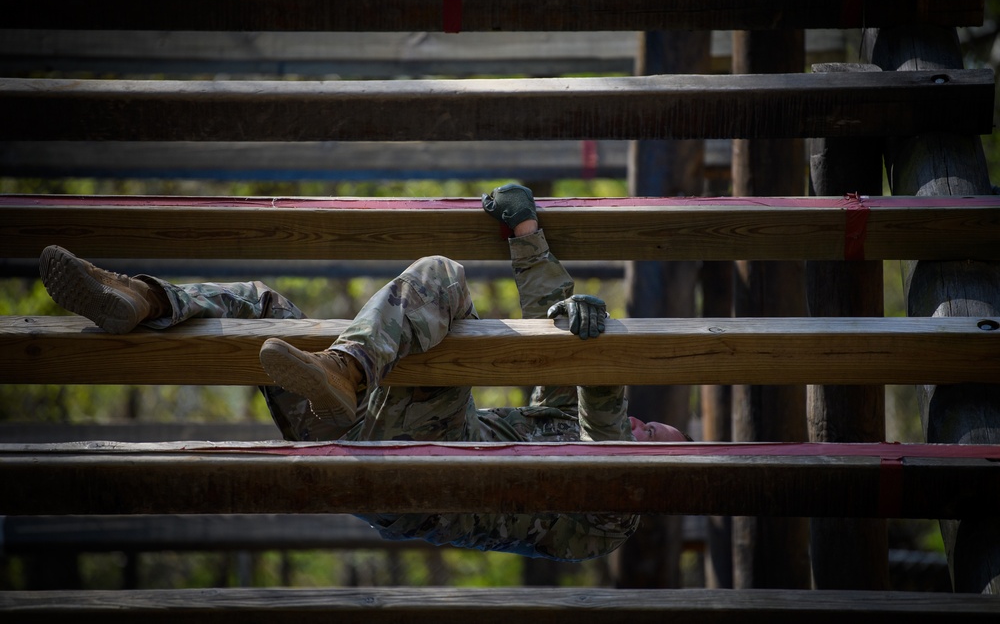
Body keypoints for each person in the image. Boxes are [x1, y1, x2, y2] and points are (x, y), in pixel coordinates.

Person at [38, 184, 689, 561]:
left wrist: (601, 352)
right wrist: (526, 234)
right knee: (264, 307)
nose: (655, 425)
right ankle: (142, 297)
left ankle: (346, 368)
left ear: (655, 477)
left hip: (424, 471)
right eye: (659, 425)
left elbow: (606, 427)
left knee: (440, 276)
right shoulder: (559, 423)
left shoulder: (612, 518)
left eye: (667, 439)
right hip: (366, 436)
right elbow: (559, 344)